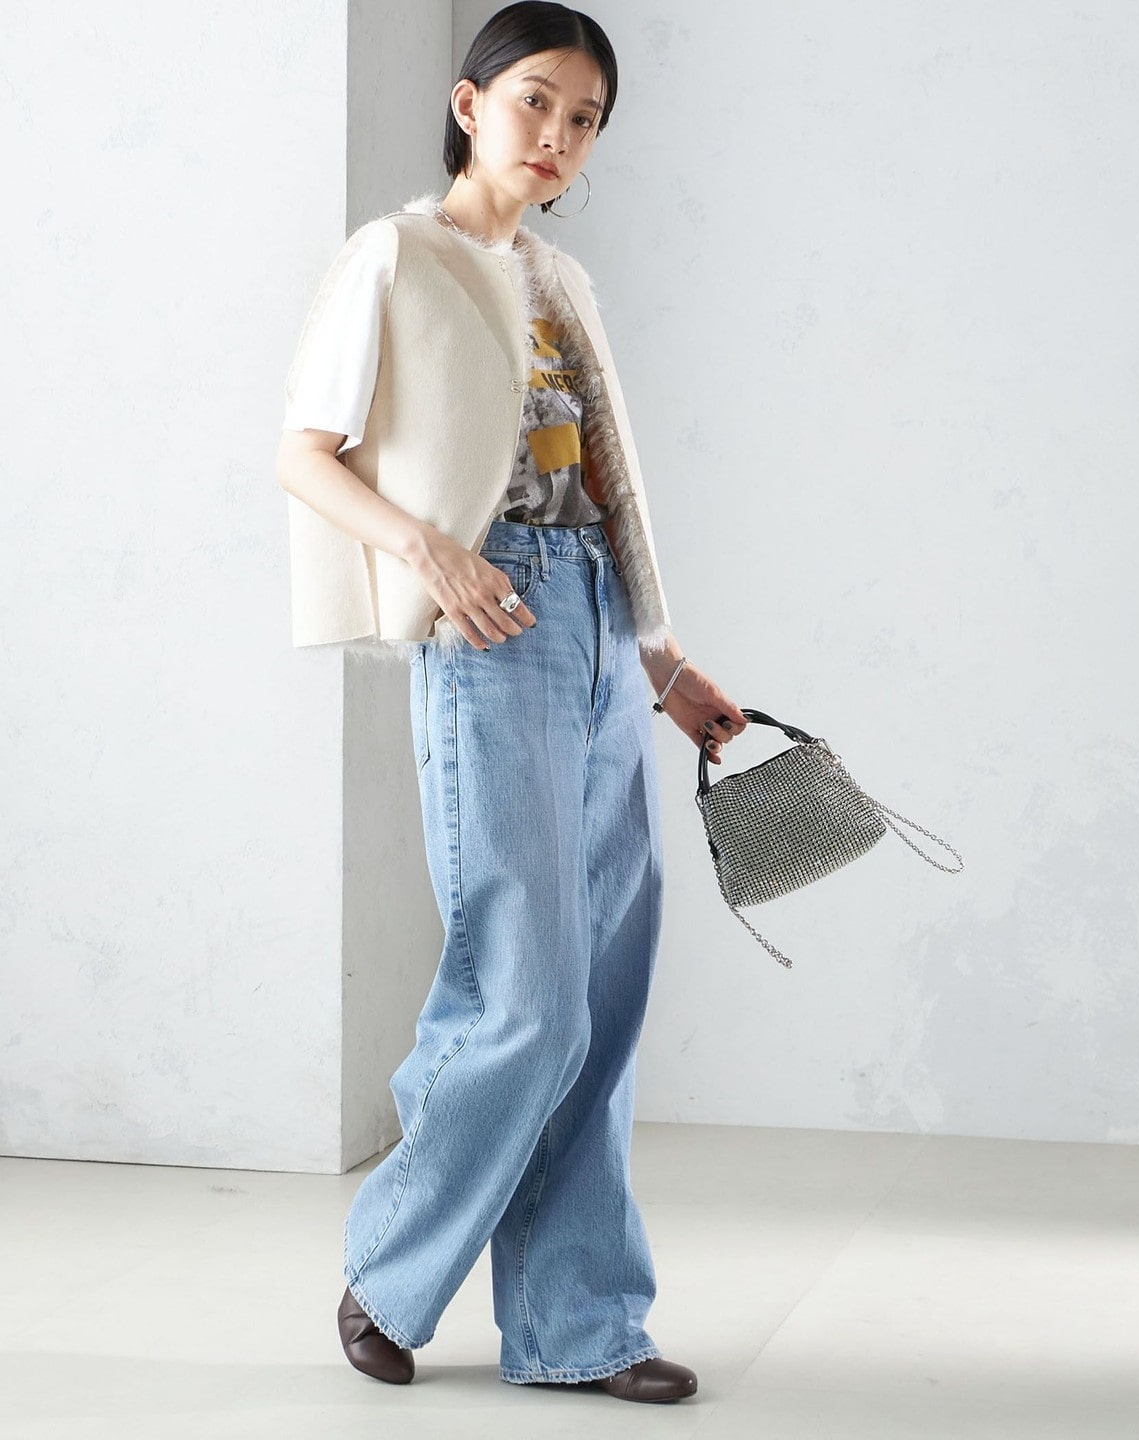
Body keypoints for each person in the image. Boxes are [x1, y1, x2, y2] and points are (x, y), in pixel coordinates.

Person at [275, 0, 747, 1405]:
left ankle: (580, 1326)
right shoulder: (395, 255)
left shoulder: (562, 278)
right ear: (470, 102)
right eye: (536, 98)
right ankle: (389, 1268)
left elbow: (605, 485)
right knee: (526, 989)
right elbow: (304, 453)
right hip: (489, 625)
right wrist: (429, 554)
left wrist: (662, 661)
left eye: (585, 118)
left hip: (595, 623)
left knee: (600, 997)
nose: (558, 134)